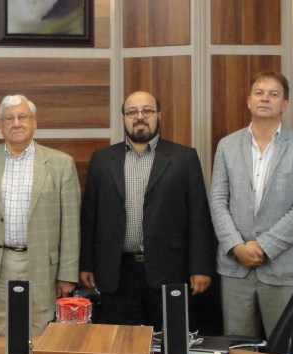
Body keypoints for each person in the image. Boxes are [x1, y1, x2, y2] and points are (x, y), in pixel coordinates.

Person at [79, 91, 216, 332]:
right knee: (121, 343)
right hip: (117, 273)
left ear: (159, 116)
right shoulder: (102, 160)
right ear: (124, 118)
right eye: (132, 112)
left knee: (169, 343)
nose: (139, 117)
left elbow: (199, 216)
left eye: (147, 111)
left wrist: (201, 267)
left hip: (169, 270)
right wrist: (87, 264)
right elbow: (90, 217)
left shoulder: (184, 158)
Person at [210, 72, 293, 338]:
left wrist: (262, 247)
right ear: (249, 101)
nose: (265, 98)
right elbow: (218, 201)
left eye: (274, 94)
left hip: (283, 268)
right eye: (259, 93)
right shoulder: (227, 145)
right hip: (235, 268)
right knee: (237, 349)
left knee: (284, 349)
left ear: (284, 104)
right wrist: (237, 246)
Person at [0, 94, 81, 336]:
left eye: (22, 117)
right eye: (9, 118)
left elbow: (71, 226)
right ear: (0, 126)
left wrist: (67, 274)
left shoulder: (61, 163)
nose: (16, 123)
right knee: (4, 331)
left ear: (34, 122)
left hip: (42, 264)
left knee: (40, 331)